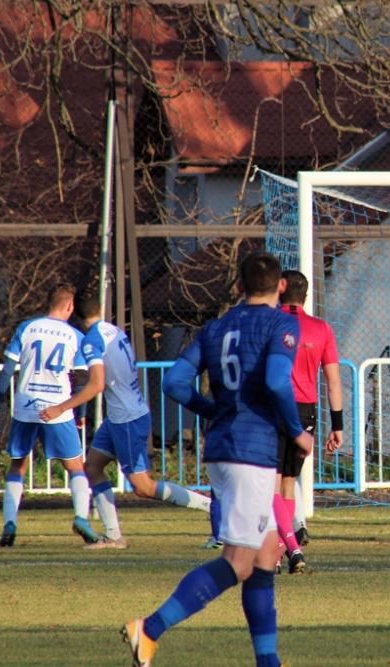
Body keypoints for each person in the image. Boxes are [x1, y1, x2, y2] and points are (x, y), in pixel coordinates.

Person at [122, 252, 314, 667]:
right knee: (239, 562)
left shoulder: (216, 327)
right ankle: (149, 629)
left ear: (240, 286)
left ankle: (268, 661)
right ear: (281, 286)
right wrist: (297, 430)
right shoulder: (281, 324)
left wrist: (213, 409)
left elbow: (174, 383)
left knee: (265, 555)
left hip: (224, 449)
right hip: (250, 452)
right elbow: (276, 381)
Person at [38, 292, 211, 549]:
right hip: (121, 416)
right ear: (99, 308)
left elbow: (96, 384)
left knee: (143, 487)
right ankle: (113, 536)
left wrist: (61, 408)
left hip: (127, 419)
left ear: (74, 313)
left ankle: (211, 507)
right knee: (92, 467)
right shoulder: (113, 330)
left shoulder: (92, 340)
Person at [0, 283, 100, 547]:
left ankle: (10, 524)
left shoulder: (26, 328)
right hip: (58, 409)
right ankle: (81, 518)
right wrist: (81, 412)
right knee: (75, 466)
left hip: (25, 406)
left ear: (49, 302)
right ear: (70, 306)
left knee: (18, 465)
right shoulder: (75, 336)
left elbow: (7, 370)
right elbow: (82, 379)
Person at [273, 269, 343, 573]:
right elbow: (333, 381)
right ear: (306, 295)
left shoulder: (270, 323)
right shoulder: (321, 328)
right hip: (306, 412)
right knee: (289, 484)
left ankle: (292, 549)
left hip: (273, 408)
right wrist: (337, 425)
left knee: (272, 486)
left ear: (280, 289)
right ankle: (278, 555)